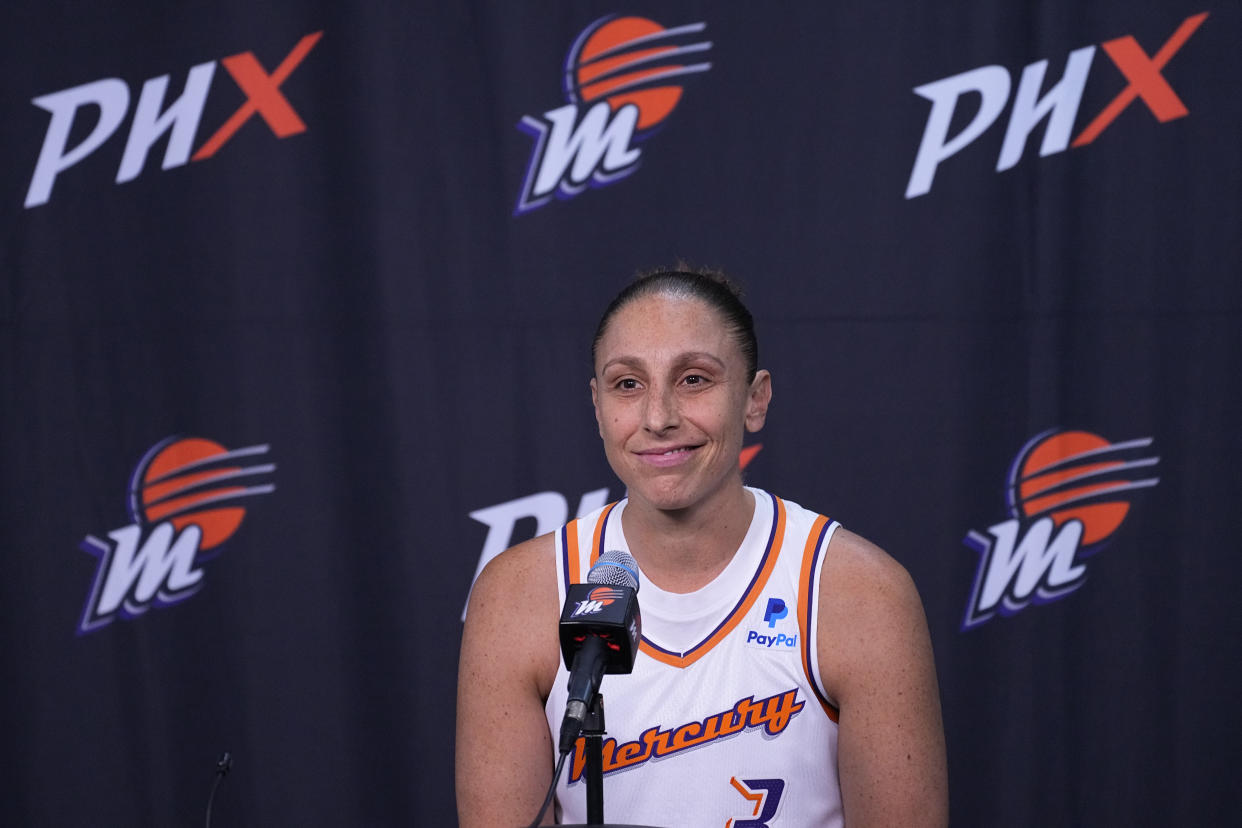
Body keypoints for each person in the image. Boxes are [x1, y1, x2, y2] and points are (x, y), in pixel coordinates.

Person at [456, 268, 948, 827]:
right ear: (597, 407)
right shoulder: (518, 595)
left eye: (693, 379)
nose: (659, 417)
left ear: (754, 399)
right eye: (627, 384)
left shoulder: (857, 591)